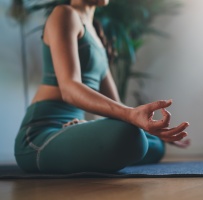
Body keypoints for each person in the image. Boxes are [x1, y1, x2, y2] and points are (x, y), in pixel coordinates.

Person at [14, 0, 190, 173]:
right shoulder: (64, 14)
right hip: (40, 135)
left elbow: (117, 105)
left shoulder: (96, 34)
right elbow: (69, 89)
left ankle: (86, 138)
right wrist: (132, 118)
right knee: (130, 136)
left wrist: (149, 126)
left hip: (72, 127)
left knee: (154, 144)